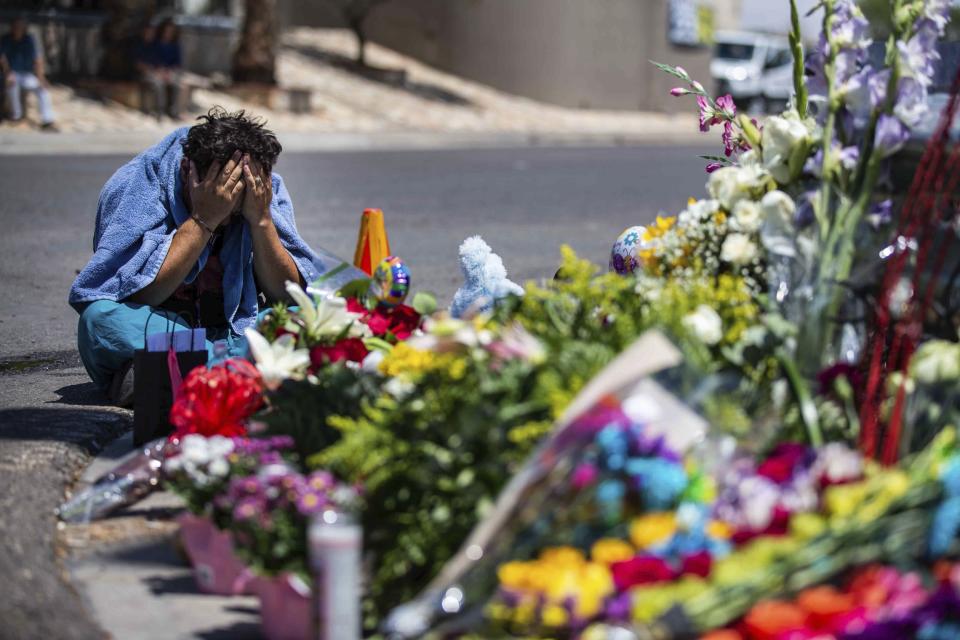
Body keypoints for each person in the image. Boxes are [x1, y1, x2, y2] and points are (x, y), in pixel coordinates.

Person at [69, 108, 323, 406]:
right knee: (98, 320)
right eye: (221, 196)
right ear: (187, 170)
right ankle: (242, 376)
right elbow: (133, 293)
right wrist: (204, 219)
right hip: (161, 328)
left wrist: (261, 221)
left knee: (310, 316)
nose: (228, 216)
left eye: (235, 207)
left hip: (235, 333)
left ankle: (176, 376)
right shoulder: (137, 185)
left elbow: (289, 294)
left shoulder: (263, 187)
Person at [0, 16, 56, 129]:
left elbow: (38, 60)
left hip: (27, 74)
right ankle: (16, 116)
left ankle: (47, 119)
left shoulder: (29, 40)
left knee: (42, 89)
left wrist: (41, 79)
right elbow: (2, 58)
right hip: (12, 73)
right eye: (16, 27)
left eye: (21, 27)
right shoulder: (6, 39)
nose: (18, 29)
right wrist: (7, 74)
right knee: (12, 83)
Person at [137, 19, 182, 119]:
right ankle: (159, 112)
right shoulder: (147, 44)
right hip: (149, 74)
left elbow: (177, 63)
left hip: (165, 72)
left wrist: (167, 72)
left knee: (175, 84)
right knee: (159, 84)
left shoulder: (174, 45)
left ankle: (173, 111)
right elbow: (141, 64)